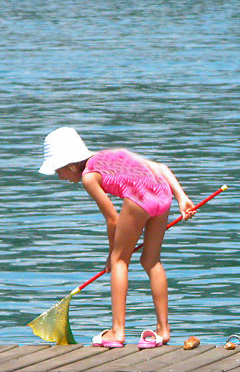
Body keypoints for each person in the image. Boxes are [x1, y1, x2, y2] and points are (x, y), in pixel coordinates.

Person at [39, 127, 195, 348]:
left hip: (140, 198)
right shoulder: (110, 155)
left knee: (119, 261)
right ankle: (163, 330)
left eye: (58, 171)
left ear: (71, 165)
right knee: (151, 261)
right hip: (163, 194)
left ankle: (117, 331)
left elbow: (113, 219)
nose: (60, 177)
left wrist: (113, 253)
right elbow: (161, 168)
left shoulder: (88, 177)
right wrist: (182, 198)